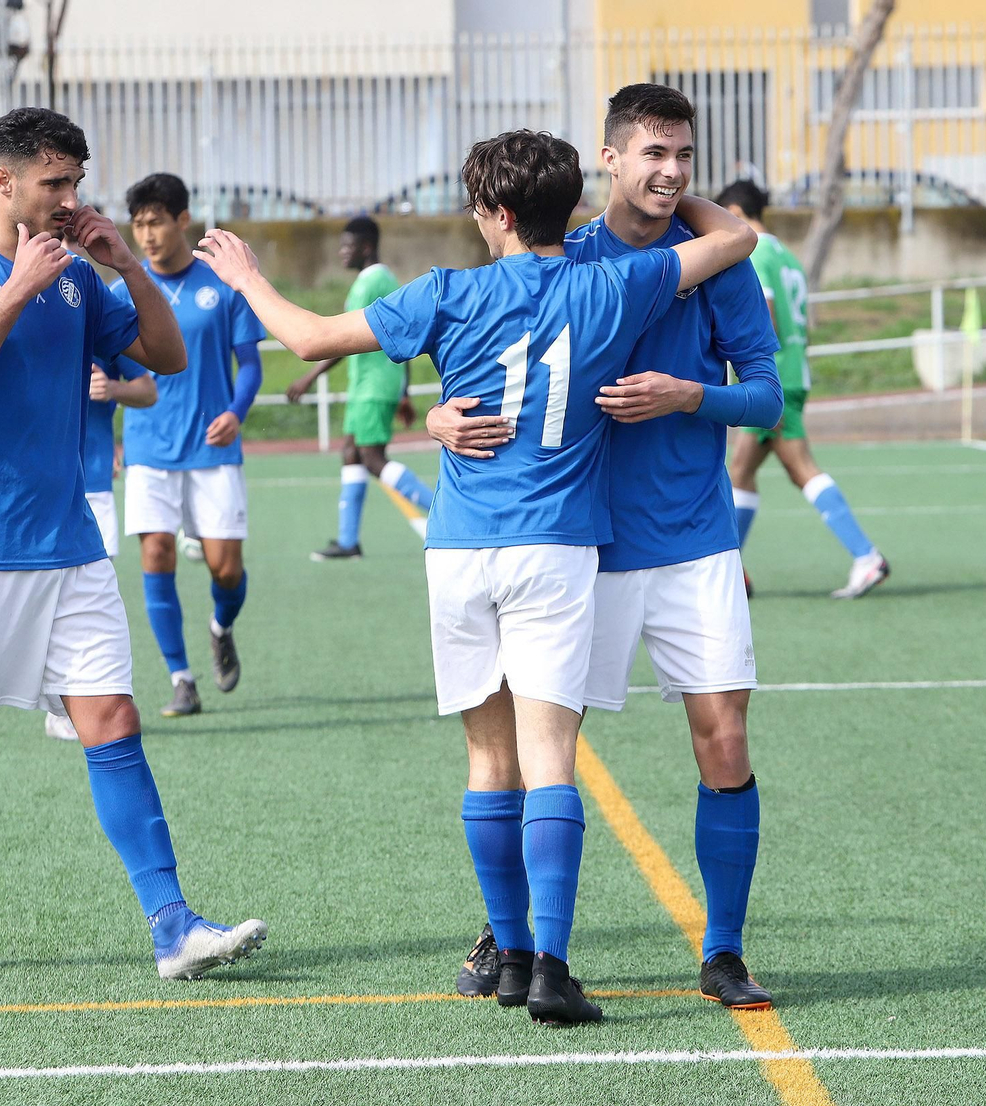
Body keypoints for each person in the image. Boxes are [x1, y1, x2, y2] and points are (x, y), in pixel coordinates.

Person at [193, 129, 755, 1024]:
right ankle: (552, 971)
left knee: (489, 763)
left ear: (491, 213)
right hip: (558, 548)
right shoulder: (613, 283)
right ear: (566, 205)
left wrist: (247, 278)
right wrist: (668, 181)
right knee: (551, 763)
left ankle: (507, 953)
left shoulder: (444, 294)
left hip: (459, 547)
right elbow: (734, 240)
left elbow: (306, 341)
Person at [0, 107, 265, 981]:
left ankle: (173, 926)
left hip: (73, 546)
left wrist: (121, 262)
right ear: (2, 183)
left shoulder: (82, 280)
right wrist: (16, 287)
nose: (67, 199)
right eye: (53, 183)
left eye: (75, 183)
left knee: (113, 720)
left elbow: (164, 356)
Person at [428, 86, 783, 1011]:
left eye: (684, 157)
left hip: (697, 542)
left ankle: (725, 950)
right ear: (611, 159)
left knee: (726, 738)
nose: (669, 172)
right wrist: (436, 418)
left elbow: (770, 397)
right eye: (653, 154)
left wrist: (688, 395)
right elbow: (476, 359)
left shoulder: (716, 266)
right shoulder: (567, 255)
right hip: (581, 549)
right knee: (537, 753)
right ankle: (517, 940)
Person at [114, 173, 266, 718]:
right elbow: (110, 374)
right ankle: (181, 677)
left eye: (156, 221)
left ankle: (221, 625)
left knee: (226, 569)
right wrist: (108, 436)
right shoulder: (123, 293)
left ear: (182, 220)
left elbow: (250, 365)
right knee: (155, 551)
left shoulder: (221, 285)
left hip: (211, 445)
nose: (147, 234)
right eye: (138, 224)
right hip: (149, 446)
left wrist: (235, 412)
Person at [716, 179, 889, 600]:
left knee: (799, 467)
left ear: (736, 213)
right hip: (792, 374)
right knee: (742, 470)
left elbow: (765, 318)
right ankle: (732, 570)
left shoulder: (752, 250)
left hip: (769, 381)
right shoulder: (788, 256)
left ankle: (866, 556)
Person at [285, 215, 432, 557]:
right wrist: (405, 390)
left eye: (347, 246)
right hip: (375, 385)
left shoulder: (369, 283)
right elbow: (401, 336)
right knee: (351, 451)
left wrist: (309, 377)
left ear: (365, 248)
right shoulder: (386, 279)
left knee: (372, 457)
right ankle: (348, 541)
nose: (341, 253)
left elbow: (341, 340)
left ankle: (439, 510)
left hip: (372, 387)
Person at [44, 358, 158, 740]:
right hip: (40, 485)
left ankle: (73, 706)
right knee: (47, 601)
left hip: (94, 484)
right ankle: (56, 701)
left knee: (88, 602)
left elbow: (148, 389)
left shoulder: (99, 319)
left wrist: (113, 389)